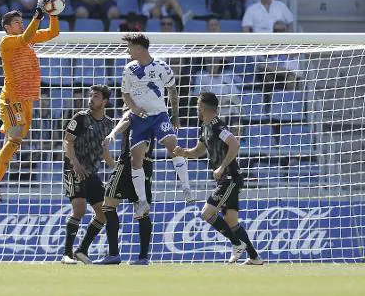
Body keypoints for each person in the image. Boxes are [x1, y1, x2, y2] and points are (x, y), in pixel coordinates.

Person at [0, 0, 60, 212]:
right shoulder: (7, 42)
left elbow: (54, 32)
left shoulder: (29, 36)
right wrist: (38, 16)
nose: (21, 26)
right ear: (6, 27)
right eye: (16, 23)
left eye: (22, 22)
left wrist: (52, 14)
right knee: (13, 140)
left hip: (27, 99)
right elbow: (24, 38)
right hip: (12, 98)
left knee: (13, 143)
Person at [174, 92, 263, 265]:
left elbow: (235, 144)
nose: (195, 108)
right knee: (231, 221)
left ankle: (237, 244)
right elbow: (198, 151)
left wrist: (222, 167)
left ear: (202, 107)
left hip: (230, 177)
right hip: (226, 178)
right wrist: (183, 152)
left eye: (197, 105)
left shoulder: (217, 126)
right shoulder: (205, 127)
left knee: (207, 213)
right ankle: (254, 257)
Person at [120, 33, 193, 220]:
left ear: (138, 48)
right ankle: (142, 202)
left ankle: (186, 187)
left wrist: (175, 116)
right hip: (139, 120)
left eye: (129, 47)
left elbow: (173, 91)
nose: (127, 51)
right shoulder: (129, 69)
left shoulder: (162, 67)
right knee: (136, 160)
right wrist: (134, 108)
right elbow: (125, 94)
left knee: (174, 147)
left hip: (159, 116)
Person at [61, 84, 115, 264]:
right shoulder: (80, 118)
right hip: (73, 167)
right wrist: (75, 163)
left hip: (91, 172)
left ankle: (82, 250)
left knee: (103, 214)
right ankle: (67, 254)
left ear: (105, 101)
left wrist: (116, 166)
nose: (91, 99)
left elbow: (104, 152)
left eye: (96, 96)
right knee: (80, 209)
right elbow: (67, 142)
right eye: (90, 96)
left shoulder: (109, 124)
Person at [96, 108, 155, 265]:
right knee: (142, 209)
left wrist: (112, 134)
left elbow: (126, 120)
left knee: (108, 205)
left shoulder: (132, 111)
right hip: (146, 165)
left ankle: (114, 254)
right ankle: (143, 258)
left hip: (128, 163)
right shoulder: (153, 113)